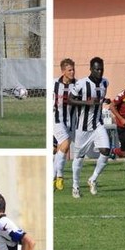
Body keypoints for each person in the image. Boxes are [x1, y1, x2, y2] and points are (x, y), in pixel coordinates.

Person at [68, 56, 110, 197]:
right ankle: (75, 186)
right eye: (97, 69)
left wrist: (105, 100)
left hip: (98, 124)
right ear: (91, 69)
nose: (100, 72)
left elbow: (101, 98)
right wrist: (87, 103)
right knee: (79, 157)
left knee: (106, 150)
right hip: (82, 127)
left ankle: (92, 179)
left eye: (101, 69)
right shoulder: (81, 84)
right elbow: (70, 99)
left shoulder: (105, 83)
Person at [53, 58, 77, 191]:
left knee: (62, 148)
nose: (72, 72)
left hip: (71, 122)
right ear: (63, 71)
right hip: (56, 120)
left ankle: (53, 177)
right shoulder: (54, 83)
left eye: (73, 69)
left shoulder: (77, 85)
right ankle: (60, 176)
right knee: (65, 144)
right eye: (70, 70)